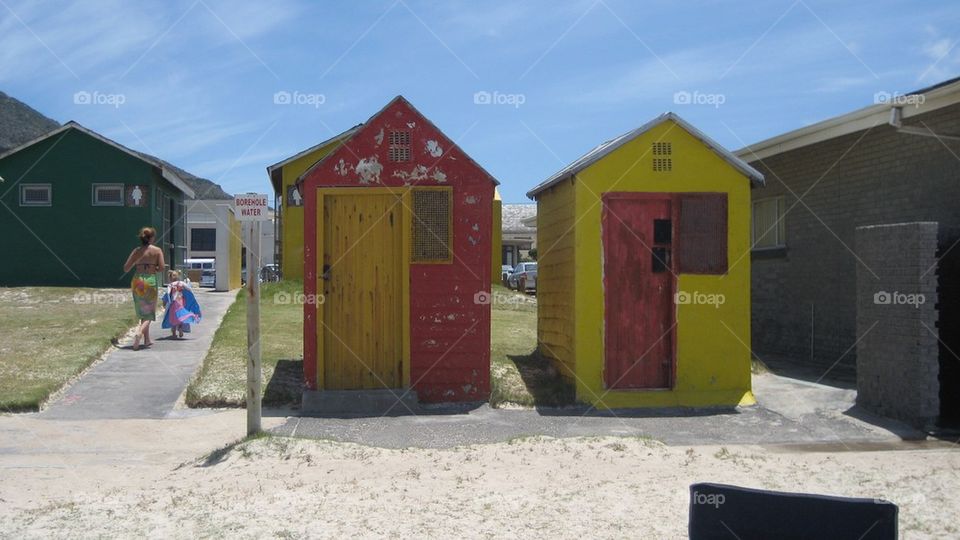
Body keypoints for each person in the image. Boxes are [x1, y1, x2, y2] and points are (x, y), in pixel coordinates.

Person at [123, 227, 164, 351]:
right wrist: (153, 268)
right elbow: (162, 268)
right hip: (150, 280)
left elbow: (126, 268)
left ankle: (147, 340)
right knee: (149, 312)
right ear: (151, 238)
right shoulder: (157, 251)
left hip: (137, 280)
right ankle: (139, 333)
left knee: (142, 309)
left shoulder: (136, 251)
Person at [161, 270, 201, 338]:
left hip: (173, 304)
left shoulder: (171, 285)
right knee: (180, 316)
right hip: (181, 302)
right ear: (178, 276)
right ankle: (180, 328)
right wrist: (190, 296)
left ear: (170, 278)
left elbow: (167, 294)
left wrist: (165, 302)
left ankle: (173, 333)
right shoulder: (181, 283)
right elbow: (189, 289)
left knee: (173, 318)